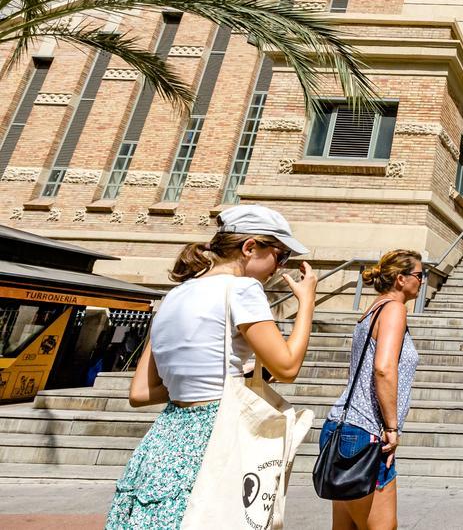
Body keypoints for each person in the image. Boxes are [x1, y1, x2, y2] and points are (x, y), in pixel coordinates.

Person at [106, 205, 317, 529]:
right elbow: (288, 367)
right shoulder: (243, 289)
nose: (279, 267)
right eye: (280, 255)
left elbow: (140, 392)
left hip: (165, 441)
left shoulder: (174, 296)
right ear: (250, 248)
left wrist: (226, 377)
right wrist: (307, 303)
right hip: (215, 435)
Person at [321, 249, 422, 530]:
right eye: (419, 275)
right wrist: (392, 427)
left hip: (343, 426)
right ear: (401, 279)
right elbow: (383, 368)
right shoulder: (394, 309)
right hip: (366, 433)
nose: (422, 281)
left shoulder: (373, 309)